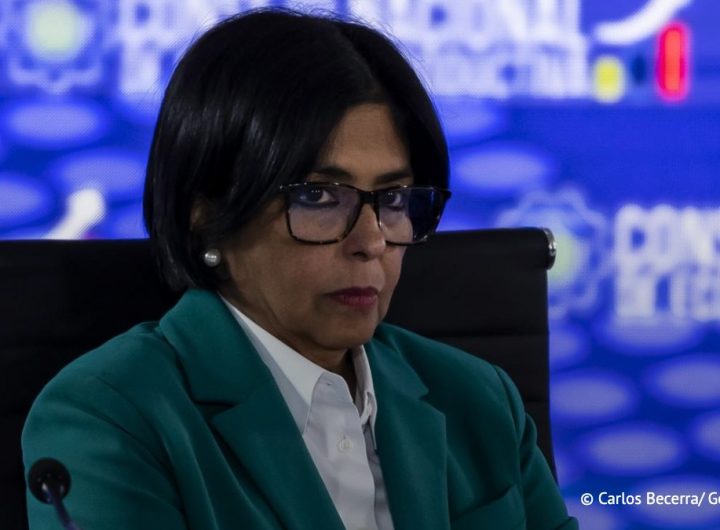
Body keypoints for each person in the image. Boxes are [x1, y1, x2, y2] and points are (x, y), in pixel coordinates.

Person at [22, 9, 578, 530]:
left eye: (393, 198)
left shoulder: (479, 399)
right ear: (206, 213)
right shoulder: (110, 416)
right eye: (318, 196)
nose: (371, 242)